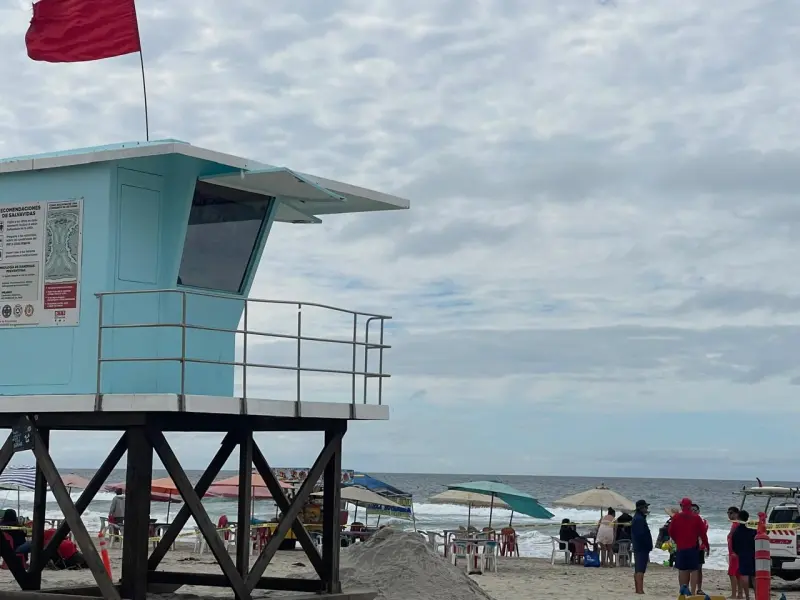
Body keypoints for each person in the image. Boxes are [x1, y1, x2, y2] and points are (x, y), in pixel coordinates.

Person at [668, 497, 710, 596]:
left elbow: (671, 531)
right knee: (694, 570)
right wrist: (707, 545)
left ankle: (683, 592)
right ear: (690, 506)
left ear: (682, 506)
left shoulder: (676, 517)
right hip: (693, 547)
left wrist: (677, 540)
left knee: (682, 570)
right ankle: (694, 592)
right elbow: (703, 533)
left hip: (681, 547)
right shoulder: (696, 518)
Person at [731, 510, 756, 600]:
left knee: (744, 575)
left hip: (742, 554)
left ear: (738, 518)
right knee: (754, 576)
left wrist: (738, 552)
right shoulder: (752, 529)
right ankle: (757, 595)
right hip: (753, 554)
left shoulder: (736, 531)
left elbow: (733, 545)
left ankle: (747, 596)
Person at [631, 499, 653, 595]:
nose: (647, 508)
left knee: (638, 569)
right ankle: (640, 590)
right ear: (641, 508)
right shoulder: (639, 519)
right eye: (645, 507)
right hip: (641, 548)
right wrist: (647, 545)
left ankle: (638, 589)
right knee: (640, 569)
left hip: (638, 547)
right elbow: (641, 535)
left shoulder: (638, 518)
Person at [691, 503, 710, 596]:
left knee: (699, 569)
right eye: (692, 510)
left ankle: (699, 588)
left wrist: (707, 546)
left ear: (698, 511)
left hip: (699, 548)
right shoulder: (687, 520)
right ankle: (690, 588)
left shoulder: (703, 521)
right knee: (688, 569)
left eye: (695, 510)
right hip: (689, 547)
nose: (693, 511)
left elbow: (703, 533)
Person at [727, 506, 743, 599]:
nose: (729, 515)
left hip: (734, 553)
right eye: (728, 513)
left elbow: (737, 540)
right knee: (737, 574)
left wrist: (734, 552)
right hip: (733, 553)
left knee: (732, 573)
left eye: (731, 513)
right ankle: (739, 594)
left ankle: (734, 594)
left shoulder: (736, 524)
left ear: (737, 514)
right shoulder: (734, 524)